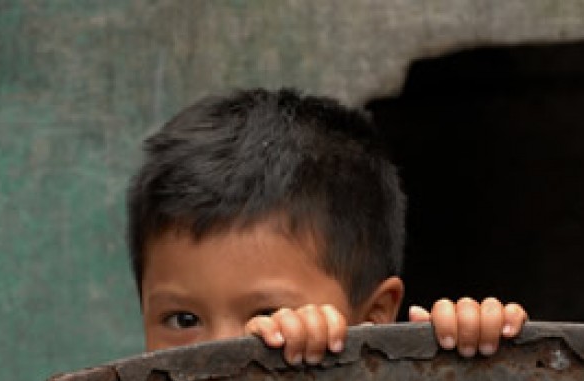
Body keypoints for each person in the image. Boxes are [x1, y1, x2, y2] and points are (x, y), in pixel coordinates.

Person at [126, 88, 526, 365]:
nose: (215, 354)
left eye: (267, 314)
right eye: (183, 320)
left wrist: (466, 357)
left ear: (375, 316)